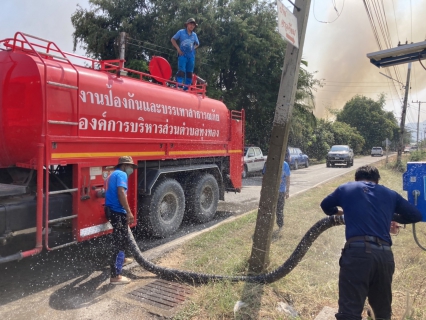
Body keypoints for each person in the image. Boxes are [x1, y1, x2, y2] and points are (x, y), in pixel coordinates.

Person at [320, 165, 422, 320]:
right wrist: (390, 217)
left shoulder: (346, 188)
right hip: (384, 256)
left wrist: (342, 211)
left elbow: (325, 206)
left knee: (349, 313)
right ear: (377, 180)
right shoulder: (390, 194)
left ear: (356, 179)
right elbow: (415, 215)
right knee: (381, 314)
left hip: (357, 255)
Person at [105, 156, 137, 284]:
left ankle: (122, 260)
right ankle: (115, 276)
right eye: (130, 167)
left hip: (110, 210)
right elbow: (121, 193)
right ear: (124, 166)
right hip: (117, 212)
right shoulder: (122, 174)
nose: (131, 170)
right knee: (120, 242)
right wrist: (129, 212)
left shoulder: (112, 174)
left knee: (120, 238)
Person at [171, 18, 199, 89]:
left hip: (191, 56)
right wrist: (178, 48)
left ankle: (187, 88)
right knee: (182, 71)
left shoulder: (194, 35)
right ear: (187, 24)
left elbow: (197, 44)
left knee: (189, 72)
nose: (192, 26)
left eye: (193, 25)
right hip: (182, 55)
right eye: (190, 24)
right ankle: (179, 85)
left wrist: (193, 48)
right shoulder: (181, 32)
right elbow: (173, 39)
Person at [262, 159, 291, 229]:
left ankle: (280, 225)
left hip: (281, 191)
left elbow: (288, 179)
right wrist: (263, 189)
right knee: (268, 209)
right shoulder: (268, 164)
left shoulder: (285, 165)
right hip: (270, 191)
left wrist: (287, 191)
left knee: (279, 210)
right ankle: (267, 226)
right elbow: (264, 178)